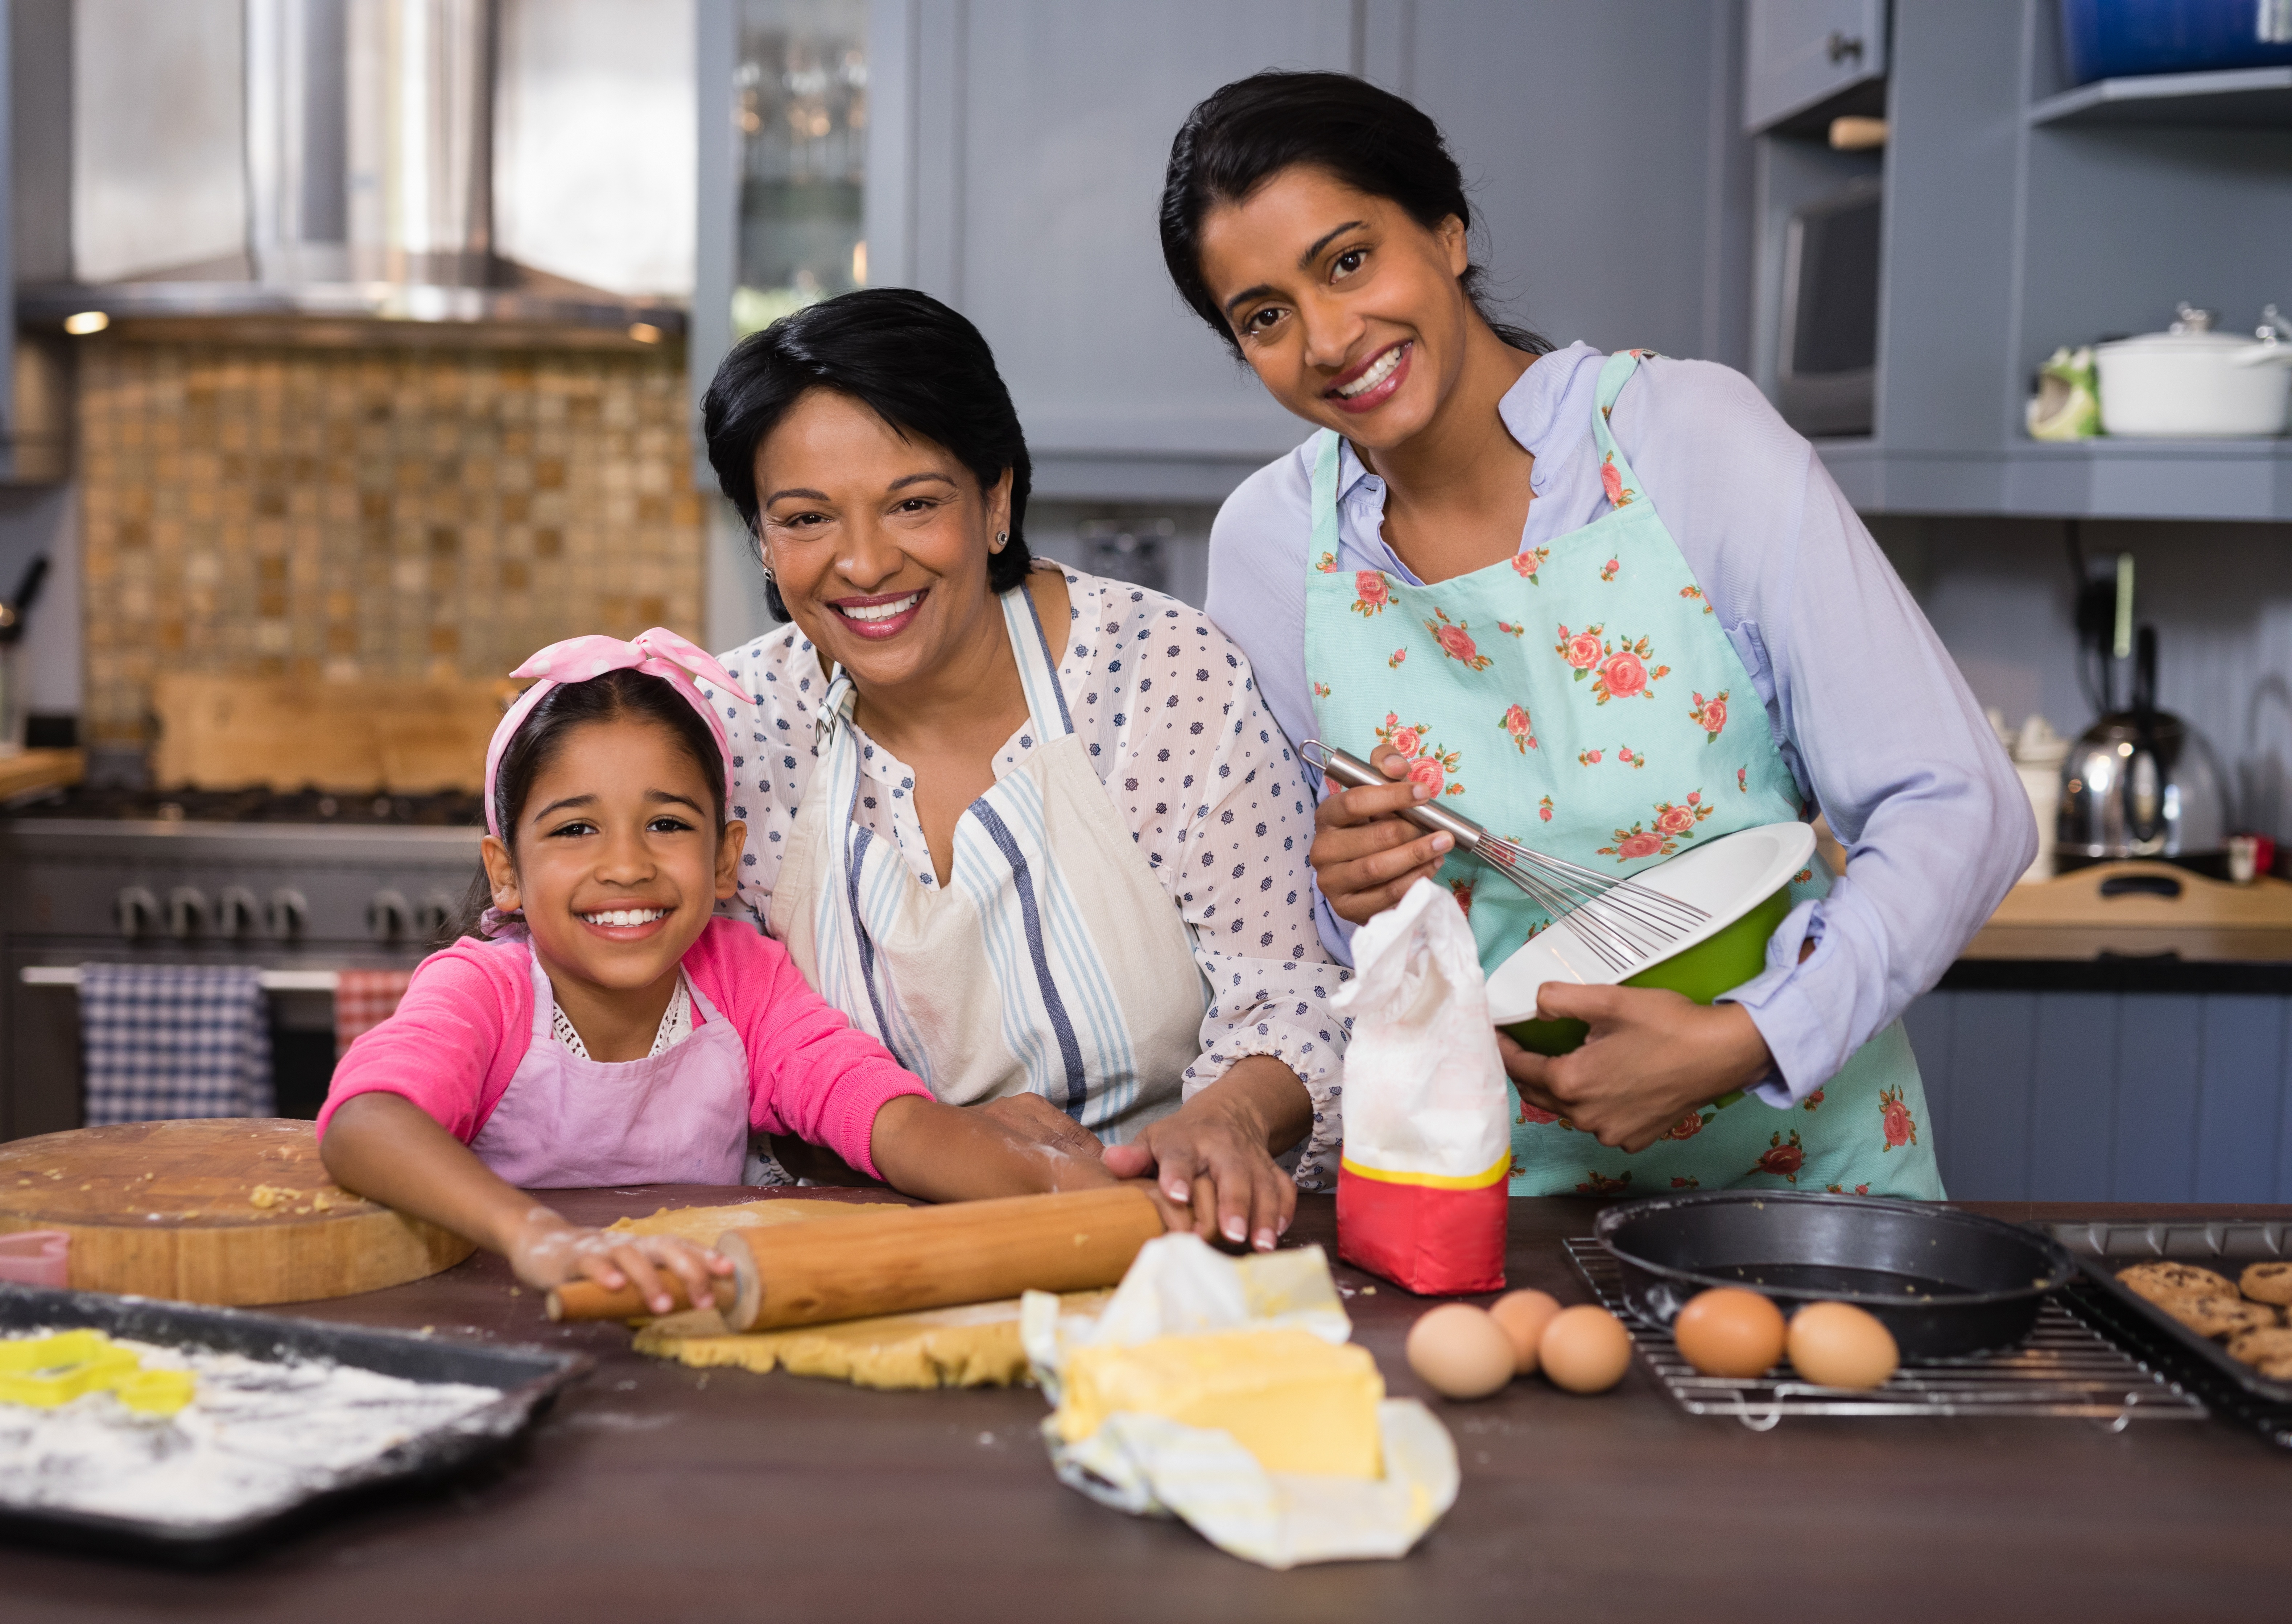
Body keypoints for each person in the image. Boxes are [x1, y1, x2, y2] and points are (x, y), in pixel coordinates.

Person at [1159, 71, 2033, 1198]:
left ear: (1447, 230)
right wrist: (1348, 885)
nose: (1328, 338)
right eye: (1265, 317)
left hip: (1805, 1184)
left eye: (1349, 259)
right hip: (1476, 1192)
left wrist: (1753, 1037)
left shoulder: (1688, 442)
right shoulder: (1274, 547)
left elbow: (1959, 803)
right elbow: (1298, 948)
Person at [703, 286, 1347, 1251]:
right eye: (806, 520)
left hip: (1155, 1235)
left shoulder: (1156, 673)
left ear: (995, 499)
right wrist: (939, 1146)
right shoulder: (738, 726)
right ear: (761, 535)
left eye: (915, 504)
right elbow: (702, 1045)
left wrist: (1223, 1125)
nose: (866, 563)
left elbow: (1289, 999)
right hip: (849, 1249)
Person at [318, 629, 1122, 1314]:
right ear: (506, 872)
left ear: (725, 857)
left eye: (666, 823)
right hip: (494, 1323)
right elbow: (367, 1122)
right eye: (575, 829)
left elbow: (886, 1116)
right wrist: (535, 1236)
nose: (626, 864)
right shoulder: (484, 991)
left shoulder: (741, 981)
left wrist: (1064, 1195)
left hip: (686, 1323)